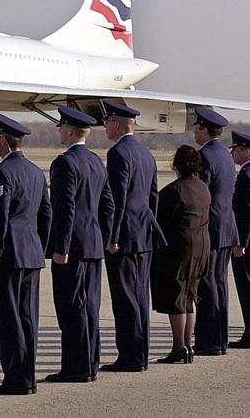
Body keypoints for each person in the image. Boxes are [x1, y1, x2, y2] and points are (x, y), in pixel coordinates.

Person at [45, 106, 115, 383]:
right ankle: (90, 363)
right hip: (93, 244)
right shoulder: (96, 161)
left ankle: (76, 367)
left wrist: (60, 247)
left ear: (71, 130)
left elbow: (65, 210)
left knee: (71, 307)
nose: (59, 131)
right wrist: (106, 238)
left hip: (72, 247)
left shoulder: (65, 163)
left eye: (61, 126)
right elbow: (107, 205)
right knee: (90, 306)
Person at [0, 113, 51, 395]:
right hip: (32, 252)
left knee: (9, 318)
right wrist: (41, 246)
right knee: (28, 318)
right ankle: (29, 376)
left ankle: (16, 378)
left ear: (2, 140)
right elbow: (46, 214)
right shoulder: (36, 171)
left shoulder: (2, 172)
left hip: (10, 255)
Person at [101, 100, 164, 372]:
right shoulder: (145, 154)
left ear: (116, 123)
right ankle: (141, 353)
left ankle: (130, 356)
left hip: (124, 237)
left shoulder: (118, 154)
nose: (105, 127)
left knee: (125, 297)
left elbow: (117, 198)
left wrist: (112, 236)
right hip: (143, 234)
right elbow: (153, 198)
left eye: (106, 122)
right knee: (140, 296)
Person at [152, 145, 211, 363]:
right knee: (190, 295)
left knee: (176, 295)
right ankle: (188, 344)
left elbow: (160, 221)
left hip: (180, 249)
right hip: (201, 246)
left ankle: (179, 346)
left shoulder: (174, 191)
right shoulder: (203, 187)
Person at [192, 106, 240, 355]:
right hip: (226, 226)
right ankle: (219, 339)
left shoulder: (206, 156)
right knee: (219, 283)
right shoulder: (223, 154)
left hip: (211, 227)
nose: (194, 133)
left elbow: (202, 196)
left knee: (208, 284)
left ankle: (209, 341)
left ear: (204, 129)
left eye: (196, 128)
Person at [229, 130, 250, 348]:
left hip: (246, 243)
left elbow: (245, 213)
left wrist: (241, 242)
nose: (233, 153)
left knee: (246, 287)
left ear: (245, 150)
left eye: (235, 149)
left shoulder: (245, 175)